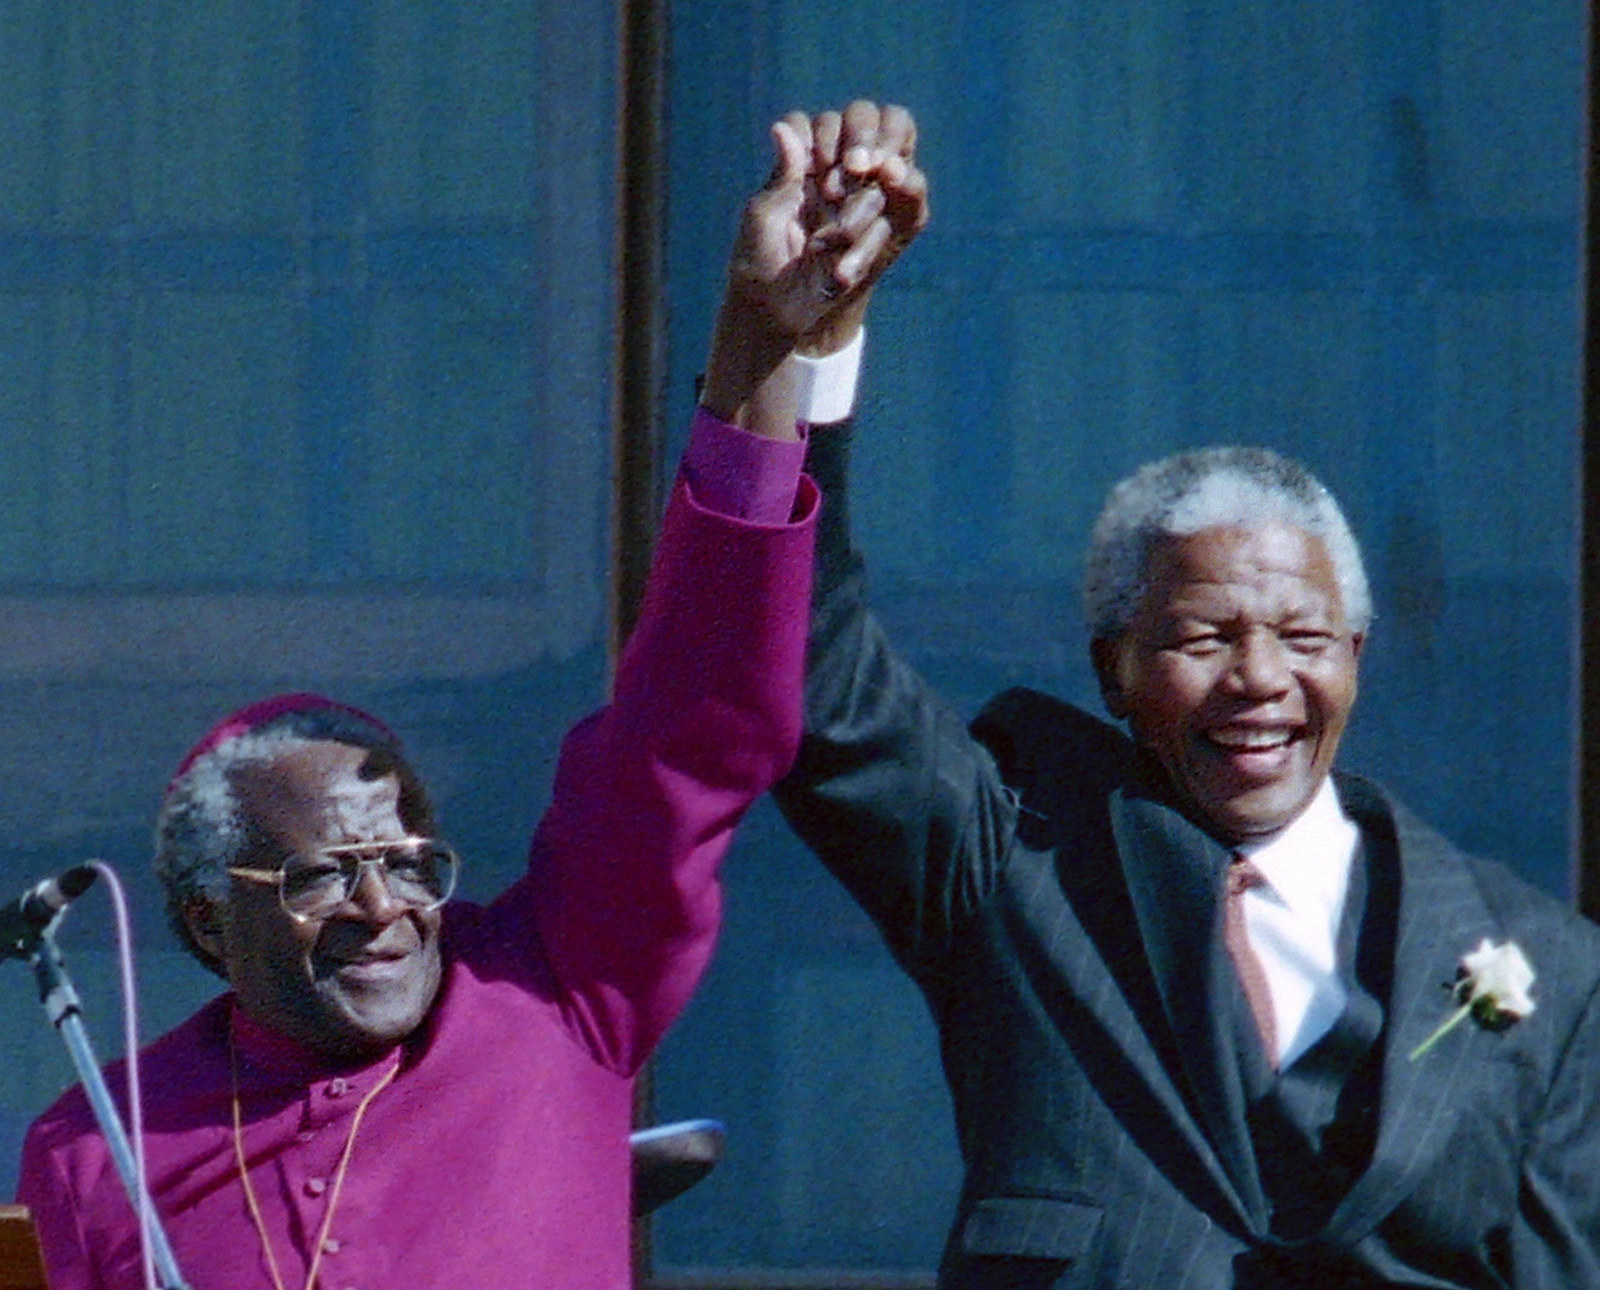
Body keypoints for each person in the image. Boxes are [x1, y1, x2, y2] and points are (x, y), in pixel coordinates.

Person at [14, 106, 910, 1290]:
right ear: (202, 927)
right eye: (323, 875)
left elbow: (690, 726)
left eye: (410, 863)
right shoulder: (95, 1154)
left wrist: (755, 345)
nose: (385, 906)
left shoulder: (555, 987)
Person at [767, 102, 1600, 1286]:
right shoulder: (1013, 864)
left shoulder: (1540, 967)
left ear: (1354, 657)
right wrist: (803, 345)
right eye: (1204, 637)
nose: (1259, 680)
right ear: (1114, 668)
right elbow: (802, 660)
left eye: (1302, 636)